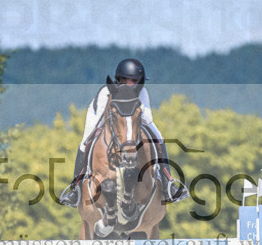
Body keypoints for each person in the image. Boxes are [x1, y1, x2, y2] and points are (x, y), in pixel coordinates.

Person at [59, 58, 189, 207]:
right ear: (119, 79)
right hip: (100, 115)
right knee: (86, 140)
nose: (132, 84)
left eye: (135, 81)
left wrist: (135, 110)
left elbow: (146, 119)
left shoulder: (142, 93)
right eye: (128, 80)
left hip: (132, 120)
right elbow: (102, 119)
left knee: (158, 137)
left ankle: (168, 183)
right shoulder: (106, 92)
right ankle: (76, 188)